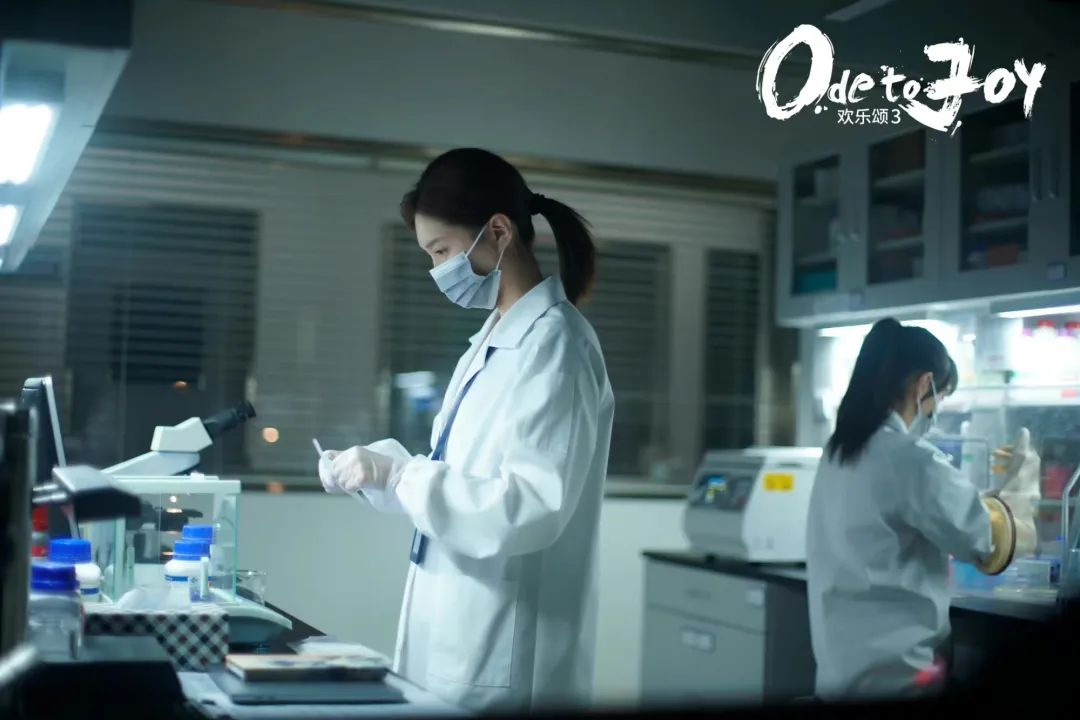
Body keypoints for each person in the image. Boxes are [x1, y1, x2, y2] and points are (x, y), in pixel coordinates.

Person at [317, 148, 615, 712]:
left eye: (442, 251)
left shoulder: (557, 345)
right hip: (457, 634)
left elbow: (530, 507)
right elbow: (457, 481)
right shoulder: (492, 340)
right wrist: (376, 473)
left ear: (498, 231)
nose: (437, 271)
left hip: (508, 656)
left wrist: (401, 476)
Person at [806, 318, 1040, 700]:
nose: (936, 410)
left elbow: (933, 514)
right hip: (900, 682)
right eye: (940, 397)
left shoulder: (838, 452)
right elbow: (989, 542)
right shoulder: (909, 458)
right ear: (924, 384)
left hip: (839, 678)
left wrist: (990, 497)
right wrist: (1022, 486)